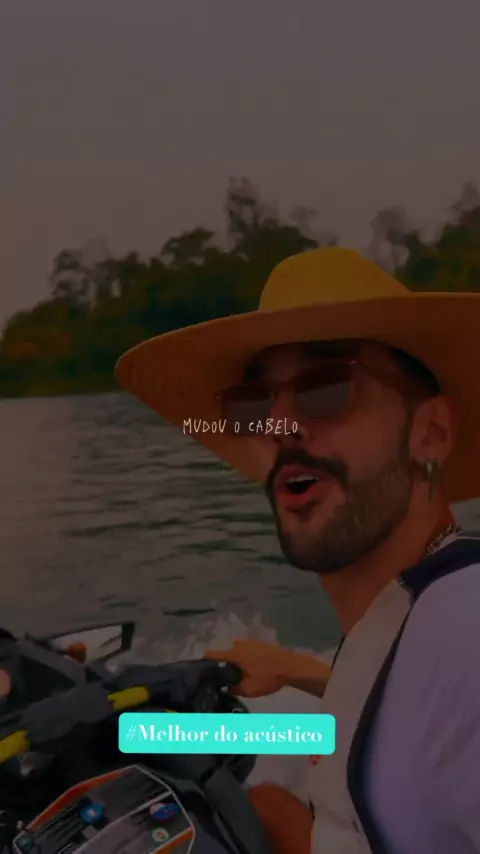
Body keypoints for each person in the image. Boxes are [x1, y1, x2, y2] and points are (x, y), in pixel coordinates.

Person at [116, 247, 480, 854]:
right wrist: (296, 672)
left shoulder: (465, 635)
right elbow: (400, 712)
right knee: (258, 803)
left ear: (431, 432)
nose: (279, 426)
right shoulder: (405, 620)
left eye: (326, 387)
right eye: (255, 405)